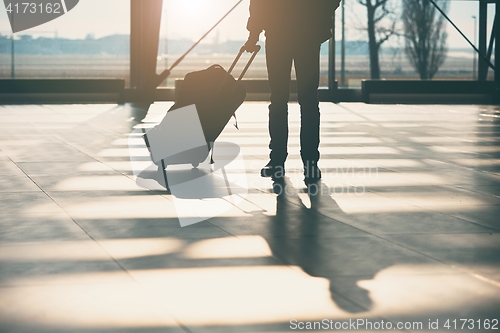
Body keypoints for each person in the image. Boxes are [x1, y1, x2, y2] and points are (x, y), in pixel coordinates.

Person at [244, 0, 340, 184]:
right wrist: (319, 16)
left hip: (278, 33)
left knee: (279, 100)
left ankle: (277, 160)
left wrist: (254, 34)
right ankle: (310, 163)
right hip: (308, 33)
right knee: (309, 100)